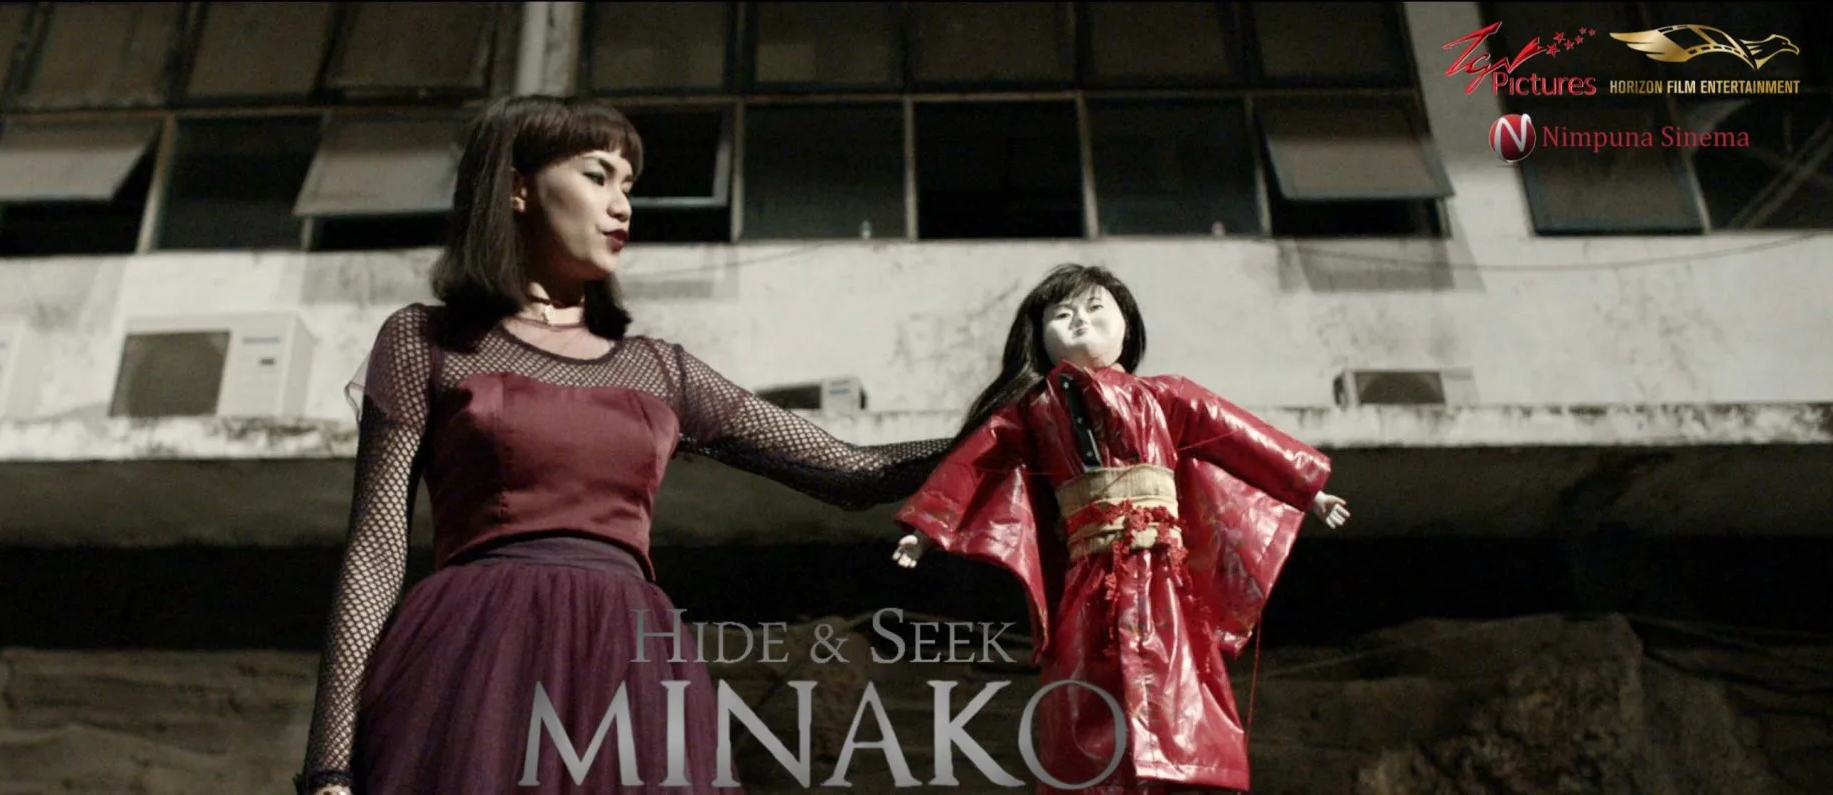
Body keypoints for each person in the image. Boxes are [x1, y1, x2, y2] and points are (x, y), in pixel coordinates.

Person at [294, 95, 947, 795]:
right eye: (598, 175)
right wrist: (330, 767)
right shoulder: (427, 340)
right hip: (474, 652)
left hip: (628, 662)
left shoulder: (661, 369)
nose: (622, 206)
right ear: (517, 187)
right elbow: (375, 551)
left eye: (629, 185)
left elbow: (854, 473)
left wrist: (1006, 424)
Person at [889, 264, 1351, 794]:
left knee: (1180, 685)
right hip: (1091, 575)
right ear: (1039, 336)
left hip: (1163, 576)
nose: (1080, 321)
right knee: (1085, 689)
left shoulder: (1166, 396)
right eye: (1063, 314)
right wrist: (926, 526)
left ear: (1126, 324)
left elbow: (1239, 438)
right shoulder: (1032, 413)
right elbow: (973, 466)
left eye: (1095, 309)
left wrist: (1307, 490)